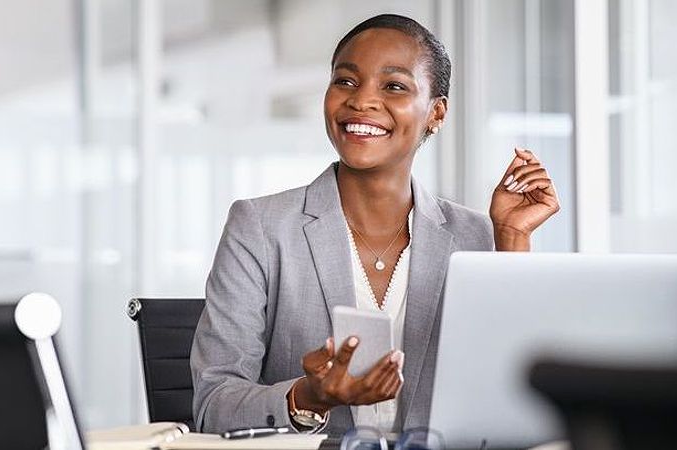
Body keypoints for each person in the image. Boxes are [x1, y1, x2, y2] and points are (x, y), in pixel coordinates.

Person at [190, 13, 560, 436]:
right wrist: (309, 397)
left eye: (394, 86)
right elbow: (212, 404)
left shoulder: (477, 237)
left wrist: (511, 239)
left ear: (436, 113)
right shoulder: (259, 228)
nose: (361, 101)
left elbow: (516, 399)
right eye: (345, 81)